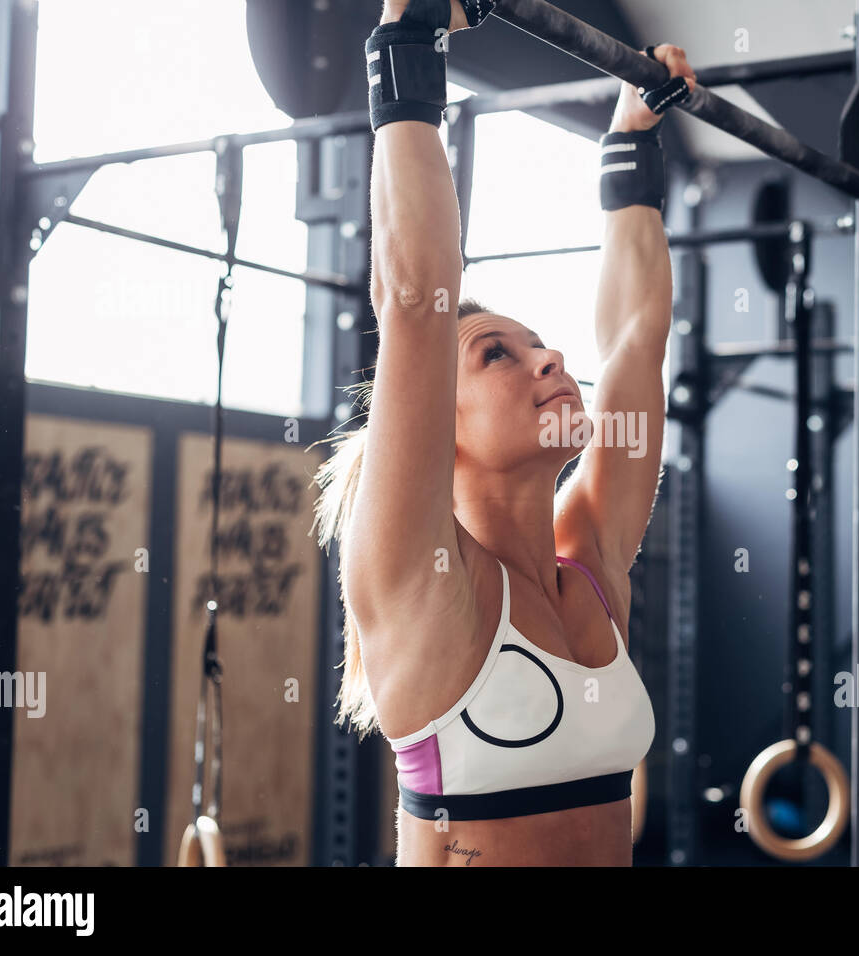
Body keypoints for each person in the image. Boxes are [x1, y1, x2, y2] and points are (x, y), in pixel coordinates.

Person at [313, 0, 695, 866]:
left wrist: (632, 149)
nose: (548, 356)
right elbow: (414, 301)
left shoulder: (590, 562)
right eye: (497, 355)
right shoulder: (419, 579)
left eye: (539, 343)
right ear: (432, 422)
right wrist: (408, 39)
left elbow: (636, 340)